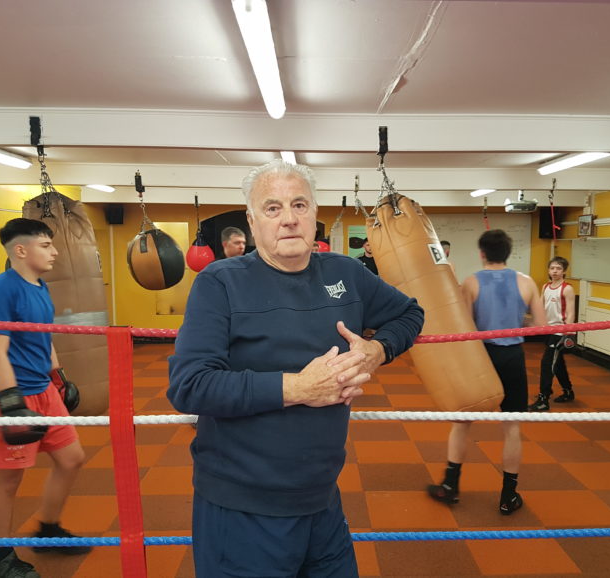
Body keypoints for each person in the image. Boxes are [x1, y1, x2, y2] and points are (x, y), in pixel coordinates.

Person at [167, 160, 424, 577]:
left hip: (321, 499)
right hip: (243, 505)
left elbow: (409, 314)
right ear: (252, 222)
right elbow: (190, 386)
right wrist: (298, 388)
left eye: (299, 204)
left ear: (315, 215)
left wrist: (378, 350)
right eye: (272, 208)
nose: (289, 219)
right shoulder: (220, 282)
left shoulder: (345, 273)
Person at [0, 218, 91, 578]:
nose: (55, 251)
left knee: (71, 459)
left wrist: (58, 378)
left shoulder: (40, 285)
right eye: (46, 245)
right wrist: (11, 400)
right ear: (21, 250)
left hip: (43, 391)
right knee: (8, 479)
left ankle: (48, 530)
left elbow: (46, 336)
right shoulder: (0, 289)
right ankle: (1, 557)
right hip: (6, 393)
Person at [428, 229, 546, 514]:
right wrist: (516, 320)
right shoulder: (527, 282)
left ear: (482, 253)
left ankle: (450, 486)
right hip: (513, 357)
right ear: (508, 252)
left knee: (462, 422)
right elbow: (541, 327)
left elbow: (465, 328)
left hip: (481, 357)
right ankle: (508, 496)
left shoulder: (470, 282)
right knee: (512, 427)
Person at [528, 256, 576, 411]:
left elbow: (570, 313)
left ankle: (544, 398)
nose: (555, 271)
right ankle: (568, 391)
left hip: (560, 332)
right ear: (548, 270)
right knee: (558, 363)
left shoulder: (567, 288)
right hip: (548, 330)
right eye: (552, 268)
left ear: (564, 271)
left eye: (558, 268)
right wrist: (533, 321)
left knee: (547, 363)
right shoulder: (546, 287)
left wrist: (568, 333)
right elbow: (540, 306)